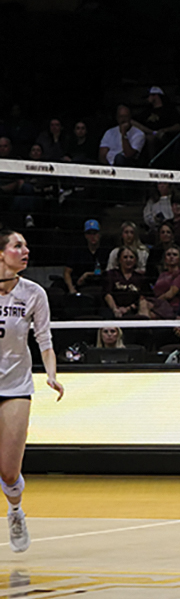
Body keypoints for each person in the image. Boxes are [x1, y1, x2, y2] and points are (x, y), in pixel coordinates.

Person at [0, 230, 63, 552]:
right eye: (17, 245)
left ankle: (14, 510)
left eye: (25, 244)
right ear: (1, 254)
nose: (26, 250)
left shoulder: (33, 293)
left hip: (14, 385)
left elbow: (45, 341)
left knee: (9, 472)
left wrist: (50, 375)